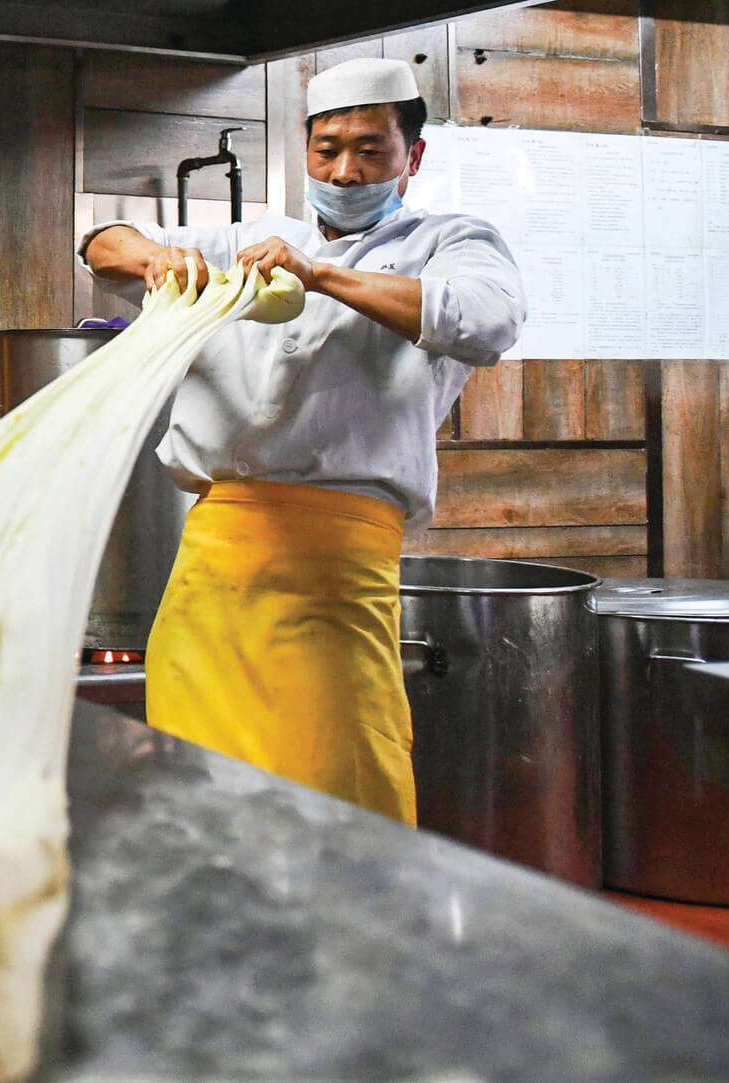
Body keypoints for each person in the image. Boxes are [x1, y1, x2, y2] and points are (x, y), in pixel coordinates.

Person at [78, 57, 526, 824]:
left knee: (340, 795)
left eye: (371, 151)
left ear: (413, 155)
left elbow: (488, 320)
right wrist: (158, 259)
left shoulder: (449, 241)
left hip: (335, 575)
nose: (346, 172)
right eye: (328, 150)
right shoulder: (255, 239)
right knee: (201, 800)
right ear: (306, 150)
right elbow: (101, 244)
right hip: (210, 571)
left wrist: (319, 276)